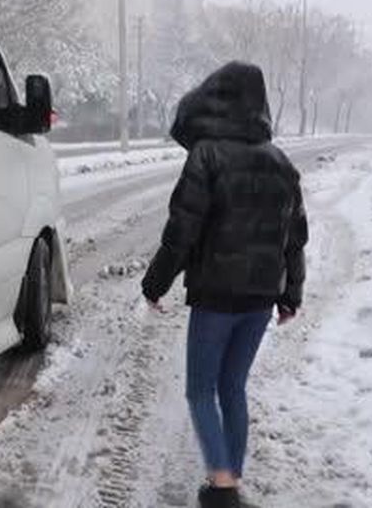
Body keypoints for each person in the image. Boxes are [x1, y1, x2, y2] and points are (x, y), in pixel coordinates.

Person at [140, 62, 308, 508]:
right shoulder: (281, 163)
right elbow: (295, 238)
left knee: (200, 390)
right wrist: (291, 294)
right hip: (260, 298)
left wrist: (155, 284)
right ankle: (229, 479)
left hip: (216, 296)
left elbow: (182, 231)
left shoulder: (207, 155)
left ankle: (222, 484)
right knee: (232, 387)